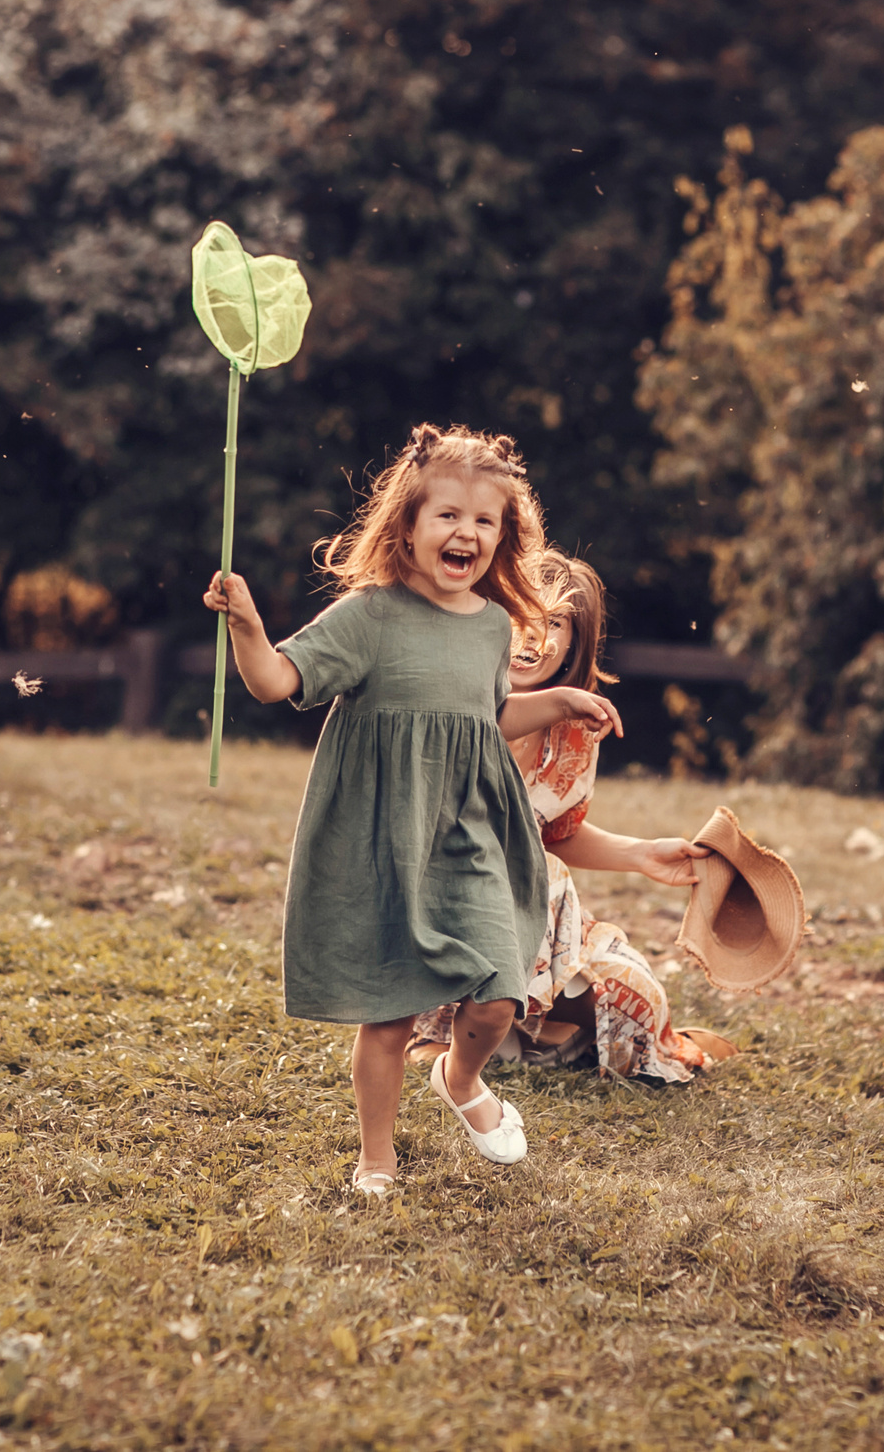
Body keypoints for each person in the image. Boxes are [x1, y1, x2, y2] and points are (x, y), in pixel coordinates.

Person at [203, 424, 621, 1196]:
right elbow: (274, 682)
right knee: (390, 1011)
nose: (466, 531)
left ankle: (461, 1079)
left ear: (504, 535)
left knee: (500, 991)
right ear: (408, 524)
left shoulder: (495, 626)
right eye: (448, 515)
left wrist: (557, 698)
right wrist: (249, 628)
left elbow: (479, 719)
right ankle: (376, 1156)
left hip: (466, 831)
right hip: (385, 835)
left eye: (484, 520)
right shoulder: (370, 616)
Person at [412, 551, 739, 1082]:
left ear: (574, 641)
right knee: (538, 878)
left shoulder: (573, 730)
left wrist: (642, 854)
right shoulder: (446, 701)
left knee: (637, 996)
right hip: (443, 899)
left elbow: (556, 834)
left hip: (528, 918)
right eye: (520, 609)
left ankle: (532, 1039)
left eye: (556, 622)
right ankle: (450, 1029)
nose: (534, 634)